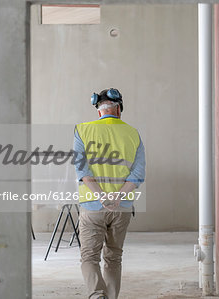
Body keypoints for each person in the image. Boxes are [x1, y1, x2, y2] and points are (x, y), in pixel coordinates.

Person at [73, 88, 145, 299]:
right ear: (119, 110)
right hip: (121, 208)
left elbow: (82, 170)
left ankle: (97, 296)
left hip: (92, 206)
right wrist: (117, 197)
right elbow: (138, 174)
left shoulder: (81, 130)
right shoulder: (133, 134)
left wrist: (101, 196)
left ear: (98, 111)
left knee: (89, 258)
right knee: (114, 258)